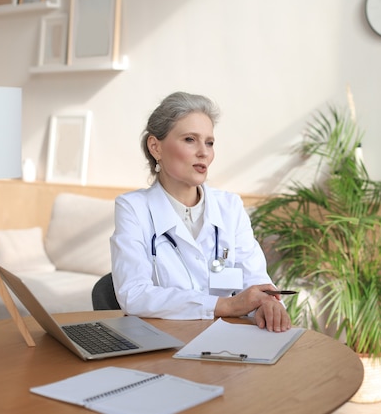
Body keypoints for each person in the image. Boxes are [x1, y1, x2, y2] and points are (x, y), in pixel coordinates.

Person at [110, 91, 291, 332]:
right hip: (165, 342)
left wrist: (267, 302)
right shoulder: (133, 208)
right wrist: (226, 305)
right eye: (189, 139)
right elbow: (134, 295)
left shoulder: (230, 207)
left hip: (229, 341)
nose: (204, 152)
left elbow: (255, 275)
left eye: (209, 142)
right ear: (155, 147)